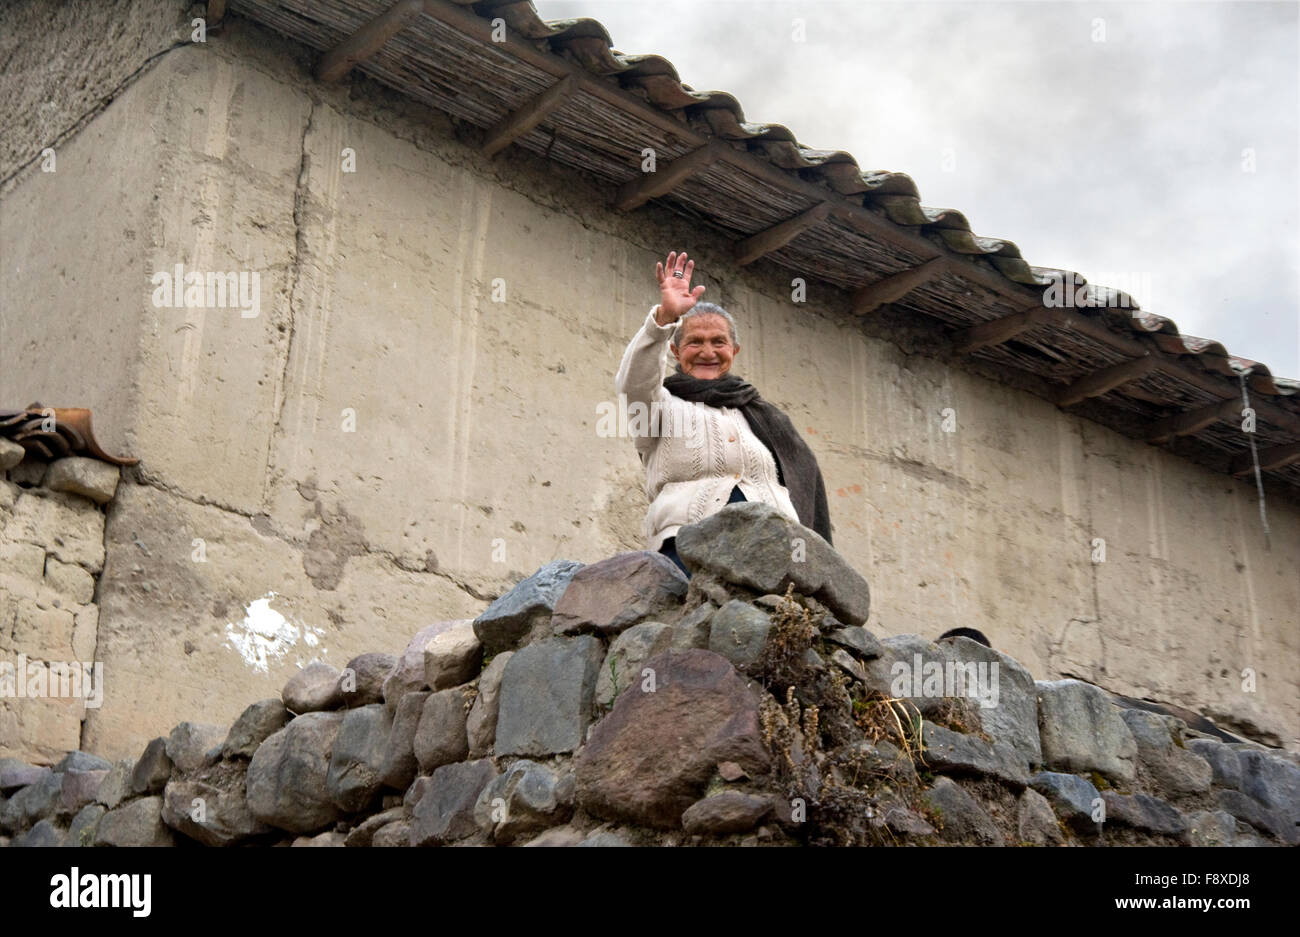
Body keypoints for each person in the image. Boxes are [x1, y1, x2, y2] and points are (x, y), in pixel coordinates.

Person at [614, 250, 833, 577]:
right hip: (687, 550)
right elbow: (633, 382)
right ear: (675, 350)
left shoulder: (761, 416)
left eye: (719, 342)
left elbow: (803, 482)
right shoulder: (659, 406)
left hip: (776, 552)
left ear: (734, 351)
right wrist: (664, 319)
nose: (708, 352)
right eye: (695, 342)